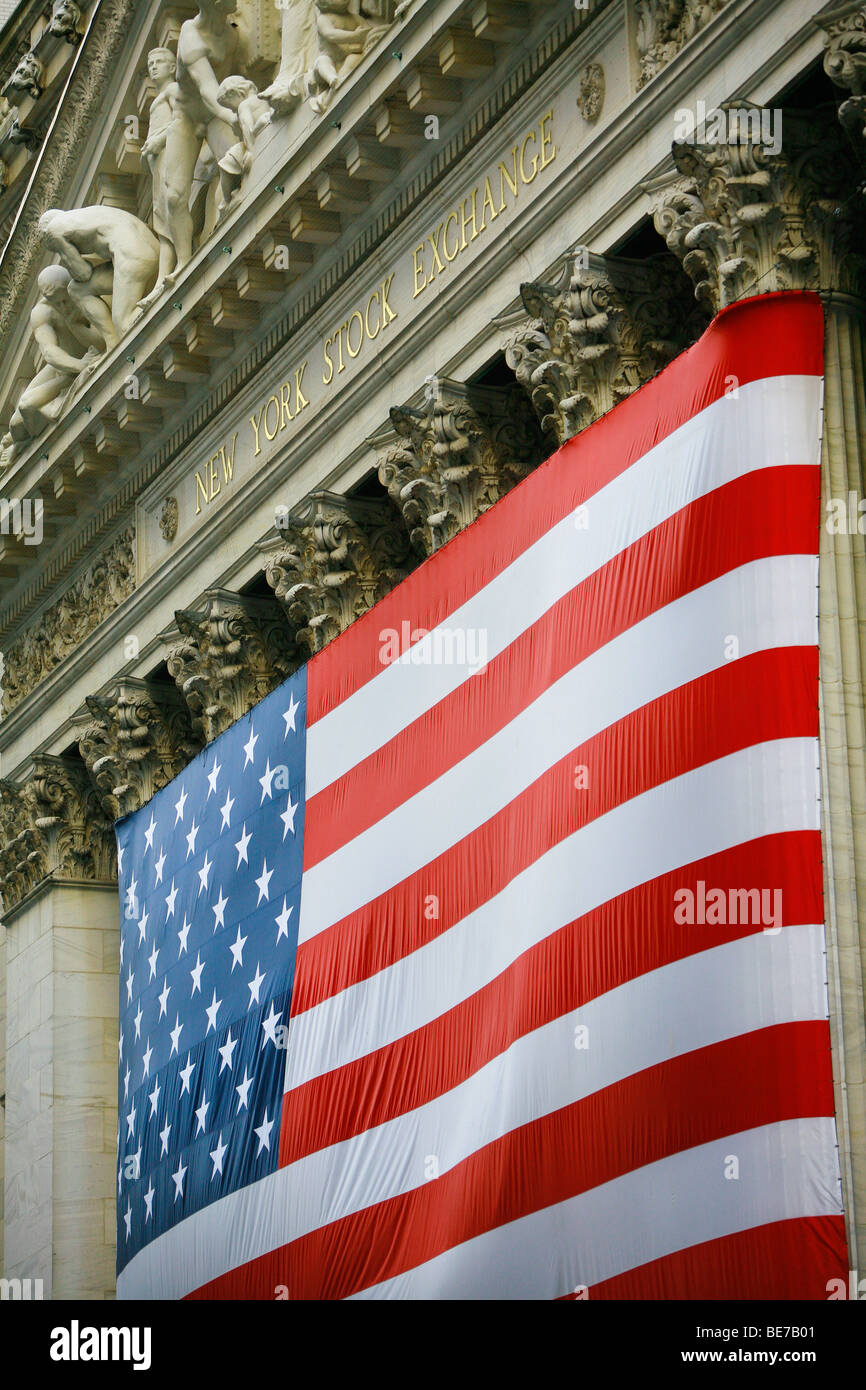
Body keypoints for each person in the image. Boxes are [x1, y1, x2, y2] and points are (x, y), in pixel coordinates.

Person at [163, 0, 246, 272]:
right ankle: (184, 261)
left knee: (236, 162)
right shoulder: (190, 34)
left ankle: (230, 218)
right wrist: (235, 117)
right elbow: (208, 90)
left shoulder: (232, 35)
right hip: (187, 117)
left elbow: (232, 80)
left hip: (213, 117)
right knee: (175, 197)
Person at [37, 206, 160, 350]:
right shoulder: (88, 215)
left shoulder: (52, 232)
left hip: (133, 257)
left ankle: (156, 301)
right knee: (78, 289)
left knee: (123, 327)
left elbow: (83, 273)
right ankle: (112, 343)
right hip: (152, 250)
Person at [8, 265, 101, 445]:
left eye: (64, 299)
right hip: (66, 366)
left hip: (88, 355)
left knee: (27, 406)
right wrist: (79, 366)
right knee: (17, 422)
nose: (62, 306)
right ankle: (17, 446)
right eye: (55, 302)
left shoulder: (83, 290)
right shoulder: (42, 312)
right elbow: (50, 352)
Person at [139, 48, 180, 301]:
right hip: (158, 162)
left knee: (169, 210)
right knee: (161, 219)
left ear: (173, 68)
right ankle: (162, 278)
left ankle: (178, 263)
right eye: (150, 63)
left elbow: (181, 119)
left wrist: (158, 141)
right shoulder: (160, 97)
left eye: (160, 62)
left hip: (169, 155)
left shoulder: (173, 91)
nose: (154, 66)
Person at [214, 75, 271, 213]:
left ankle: (227, 201)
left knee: (226, 163)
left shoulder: (243, 106)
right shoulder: (263, 98)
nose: (234, 111)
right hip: (264, 132)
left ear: (236, 94)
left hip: (253, 142)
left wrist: (251, 151)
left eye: (231, 108)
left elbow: (247, 127)